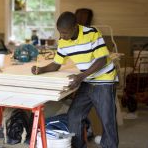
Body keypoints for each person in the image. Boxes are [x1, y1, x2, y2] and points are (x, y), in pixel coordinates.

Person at [31, 11, 118, 148]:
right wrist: (40, 70)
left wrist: (81, 77)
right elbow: (56, 64)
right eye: (60, 32)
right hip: (87, 80)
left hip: (104, 80)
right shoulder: (63, 42)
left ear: (75, 27)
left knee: (107, 120)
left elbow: (102, 60)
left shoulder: (92, 33)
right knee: (74, 116)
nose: (62, 36)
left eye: (65, 32)